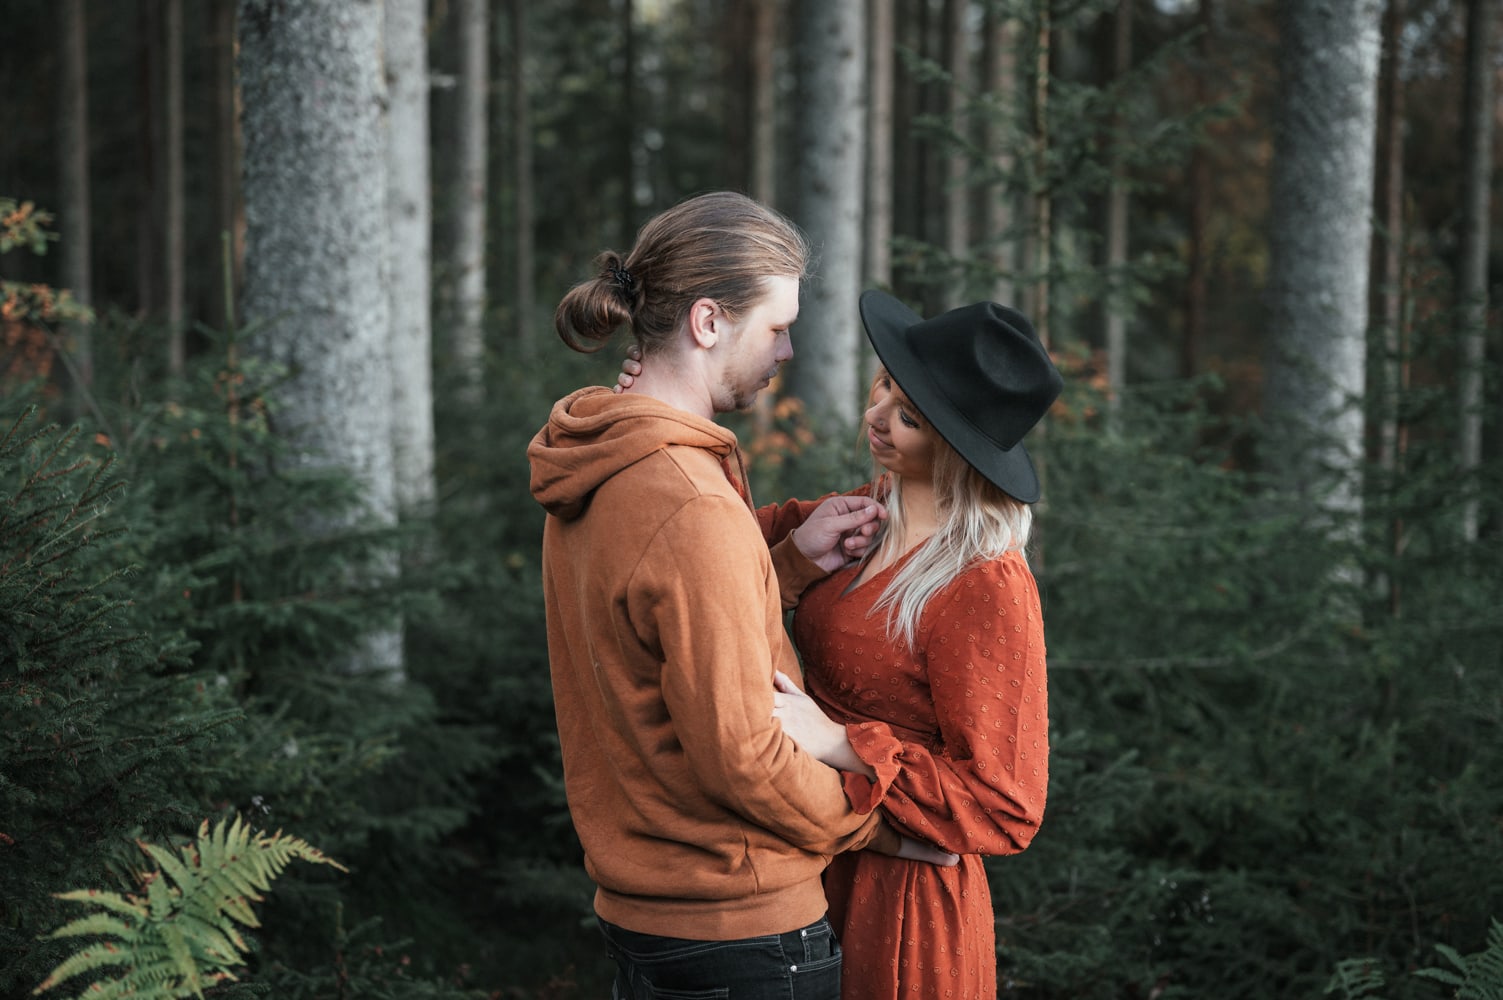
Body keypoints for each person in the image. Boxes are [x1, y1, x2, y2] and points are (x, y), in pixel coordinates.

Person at [527, 193, 954, 1000]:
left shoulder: (602, 456)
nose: (788, 349)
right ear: (706, 321)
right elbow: (745, 754)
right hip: (741, 929)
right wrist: (876, 823)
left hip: (648, 916)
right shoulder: (687, 501)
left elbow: (649, 627)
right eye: (775, 326)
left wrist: (786, 564)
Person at [617, 288, 1061, 1000]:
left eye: (910, 416)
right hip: (801, 851)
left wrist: (843, 743)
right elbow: (700, 544)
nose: (877, 417)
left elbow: (1005, 805)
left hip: (903, 894)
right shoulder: (861, 512)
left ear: (956, 444)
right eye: (885, 385)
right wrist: (644, 421)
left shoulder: (985, 583)